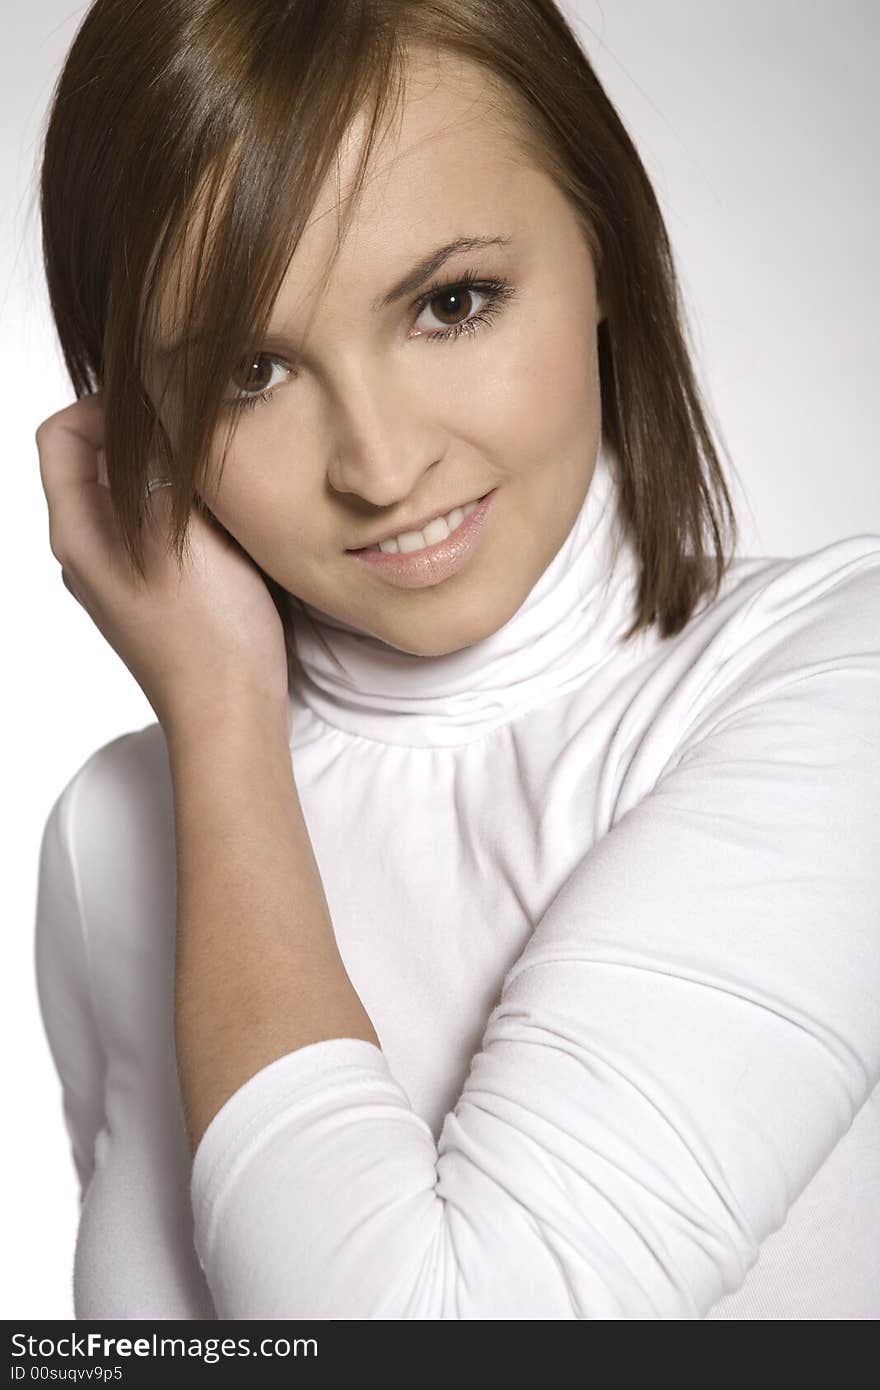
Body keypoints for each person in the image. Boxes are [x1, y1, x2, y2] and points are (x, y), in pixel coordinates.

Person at [33, 0, 879, 1320]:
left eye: (452, 302)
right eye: (250, 371)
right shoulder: (110, 832)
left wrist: (217, 716)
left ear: (604, 241)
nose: (379, 464)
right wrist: (226, 726)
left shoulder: (840, 676)